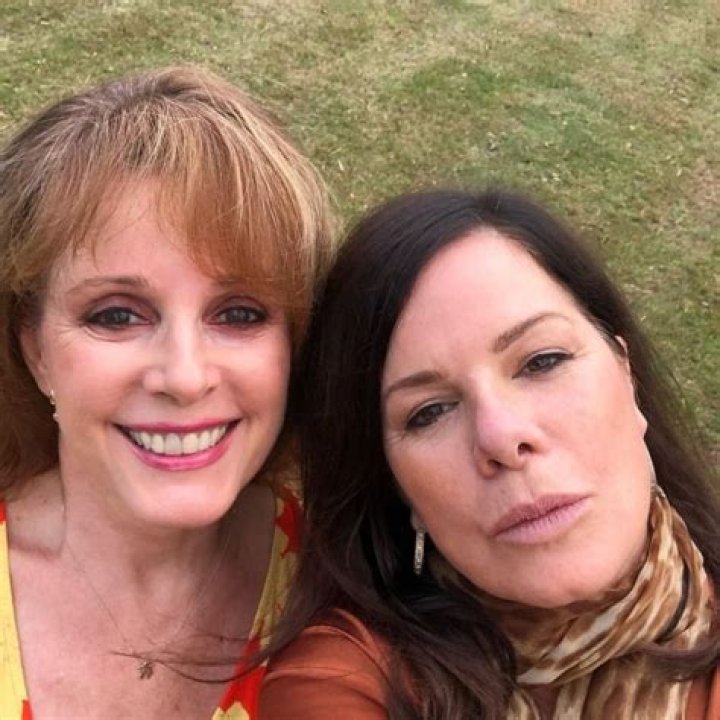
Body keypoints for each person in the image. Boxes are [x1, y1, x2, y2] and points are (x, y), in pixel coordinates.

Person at [260, 189, 719, 719]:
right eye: (429, 412)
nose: (501, 437)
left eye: (542, 361)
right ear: (396, 486)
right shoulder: (343, 687)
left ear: (626, 375)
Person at [0, 66, 334, 718]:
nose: (184, 377)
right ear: (35, 350)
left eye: (239, 313)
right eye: (116, 315)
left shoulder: (348, 588)